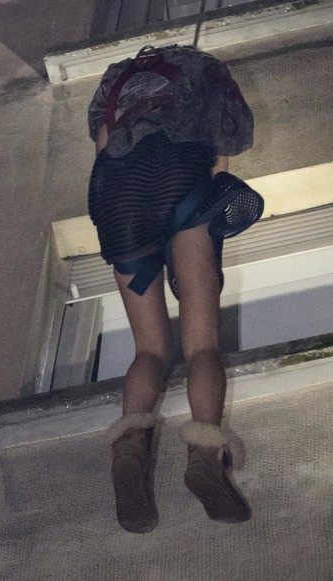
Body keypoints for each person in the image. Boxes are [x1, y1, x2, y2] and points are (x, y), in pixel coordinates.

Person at [87, 44, 263, 533]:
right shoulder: (203, 69)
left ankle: (129, 452)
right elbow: (227, 145)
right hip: (181, 174)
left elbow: (102, 145)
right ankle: (205, 455)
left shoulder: (113, 78)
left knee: (149, 349)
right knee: (201, 342)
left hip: (116, 196)